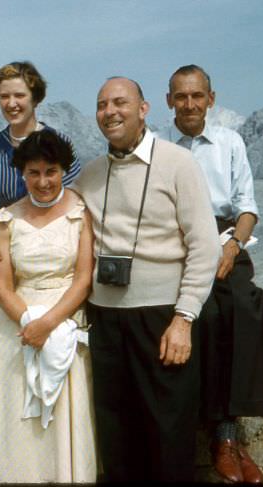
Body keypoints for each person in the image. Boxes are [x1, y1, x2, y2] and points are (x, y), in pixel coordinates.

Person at [71, 77, 221, 482]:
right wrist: (0, 238)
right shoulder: (90, 174)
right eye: (102, 105)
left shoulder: (178, 164)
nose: (109, 111)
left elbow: (205, 247)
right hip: (104, 319)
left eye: (120, 102)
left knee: (168, 436)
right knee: (116, 438)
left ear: (144, 109)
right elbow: (55, 222)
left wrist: (184, 318)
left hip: (161, 320)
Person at [0, 61, 80, 449]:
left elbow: (74, 197)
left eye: (20, 96)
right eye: (4, 96)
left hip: (51, 238)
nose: (12, 103)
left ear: (34, 98)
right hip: (6, 237)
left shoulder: (56, 142)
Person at [162, 64, 263, 483]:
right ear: (169, 99)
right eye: (181, 96)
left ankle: (230, 433)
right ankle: (213, 434)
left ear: (210, 98)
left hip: (225, 240)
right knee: (202, 316)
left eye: (197, 96)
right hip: (180, 244)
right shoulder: (158, 146)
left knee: (247, 309)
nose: (189, 104)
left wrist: (232, 245)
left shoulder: (230, 142)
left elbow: (247, 206)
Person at [0, 130, 97, 483]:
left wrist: (49, 324)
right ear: (22, 174)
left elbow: (83, 279)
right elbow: (3, 284)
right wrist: (27, 321)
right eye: (33, 172)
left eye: (51, 171)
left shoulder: (81, 214)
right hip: (18, 326)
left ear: (63, 171)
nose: (43, 181)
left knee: (61, 421)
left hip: (65, 320)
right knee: (17, 426)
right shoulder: (7, 219)